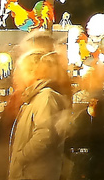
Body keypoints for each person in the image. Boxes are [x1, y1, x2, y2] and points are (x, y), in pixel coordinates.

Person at [6, 51, 75, 180]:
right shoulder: (34, 98)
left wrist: (21, 157)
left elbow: (44, 135)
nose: (17, 76)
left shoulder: (45, 98)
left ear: (33, 72)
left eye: (22, 71)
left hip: (34, 174)